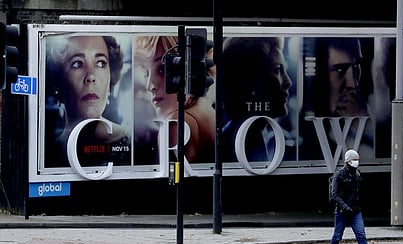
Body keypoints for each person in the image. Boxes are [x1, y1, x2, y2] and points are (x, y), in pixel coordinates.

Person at [45, 35, 131, 168]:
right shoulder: (48, 154)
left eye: (101, 63)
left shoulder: (133, 143)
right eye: (77, 64)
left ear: (110, 81)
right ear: (58, 82)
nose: (91, 76)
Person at [133, 35, 215, 164]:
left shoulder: (174, 123)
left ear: (189, 69)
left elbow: (171, 181)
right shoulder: (206, 110)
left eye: (162, 69)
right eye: (146, 72)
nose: (150, 86)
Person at [222, 37, 293, 162]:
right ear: (248, 82)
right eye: (277, 70)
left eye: (284, 70)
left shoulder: (279, 138)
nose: (288, 82)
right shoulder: (235, 141)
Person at [328, 149, 383, 244]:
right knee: (337, 237)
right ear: (348, 161)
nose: (356, 162)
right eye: (354, 160)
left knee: (361, 235)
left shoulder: (357, 174)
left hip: (355, 211)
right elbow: (334, 195)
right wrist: (345, 206)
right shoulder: (339, 175)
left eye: (357, 159)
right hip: (342, 211)